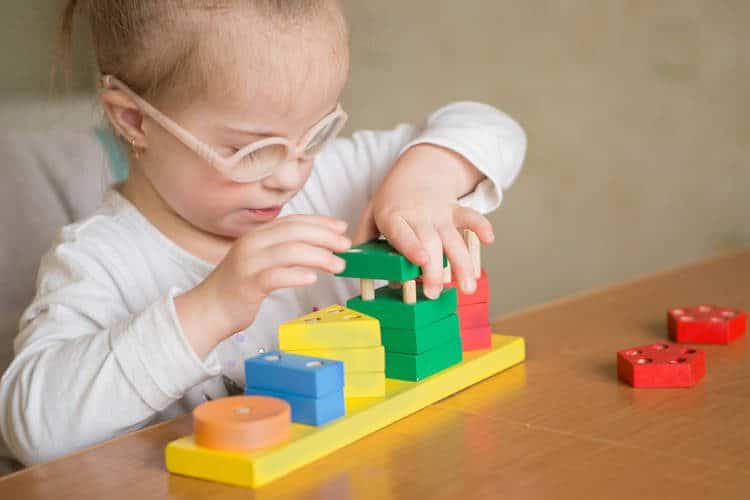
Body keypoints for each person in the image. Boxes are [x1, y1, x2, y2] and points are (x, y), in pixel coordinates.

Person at [0, 0, 526, 465]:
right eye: (248, 151)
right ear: (135, 121)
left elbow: (489, 125)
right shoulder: (100, 259)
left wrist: (424, 180)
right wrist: (213, 306)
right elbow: (33, 430)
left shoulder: (327, 181)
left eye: (315, 132)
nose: (290, 175)